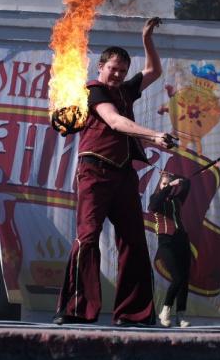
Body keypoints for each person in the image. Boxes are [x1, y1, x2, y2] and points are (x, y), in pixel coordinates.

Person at [54, 17, 176, 326]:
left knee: (133, 241)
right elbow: (115, 122)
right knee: (88, 237)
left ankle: (133, 314)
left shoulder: (125, 90)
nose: (118, 74)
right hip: (94, 172)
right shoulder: (94, 91)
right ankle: (77, 310)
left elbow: (153, 71)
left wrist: (146, 38)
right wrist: (154, 135)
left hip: (122, 174)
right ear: (101, 67)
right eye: (113, 69)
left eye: (123, 70)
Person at [149, 172, 192, 327]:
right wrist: (169, 186)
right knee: (177, 278)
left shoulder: (176, 200)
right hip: (166, 242)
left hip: (182, 241)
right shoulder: (155, 198)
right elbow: (153, 206)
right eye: (164, 184)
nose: (166, 186)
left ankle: (180, 315)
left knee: (184, 279)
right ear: (160, 185)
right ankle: (165, 310)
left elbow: (187, 183)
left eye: (168, 183)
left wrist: (177, 177)